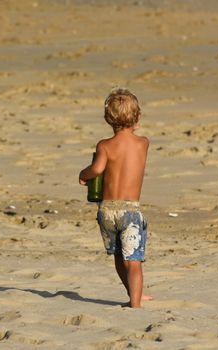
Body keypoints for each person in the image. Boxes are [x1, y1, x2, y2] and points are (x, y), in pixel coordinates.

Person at [79, 88, 151, 308]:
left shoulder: (104, 145)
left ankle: (133, 294)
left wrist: (84, 175)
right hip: (129, 211)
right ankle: (135, 304)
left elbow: (97, 169)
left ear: (107, 119)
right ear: (137, 118)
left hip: (107, 210)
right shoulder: (143, 143)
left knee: (119, 257)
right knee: (134, 261)